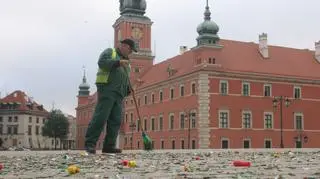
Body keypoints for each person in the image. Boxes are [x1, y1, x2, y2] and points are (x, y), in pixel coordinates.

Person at [84, 38, 137, 154]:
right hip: (107, 89)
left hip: (119, 94)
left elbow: (124, 79)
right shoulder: (110, 52)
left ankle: (109, 146)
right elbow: (102, 63)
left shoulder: (127, 63)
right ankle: (90, 144)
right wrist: (117, 63)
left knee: (116, 120)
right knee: (101, 117)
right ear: (124, 46)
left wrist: (129, 89)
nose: (131, 53)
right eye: (130, 50)